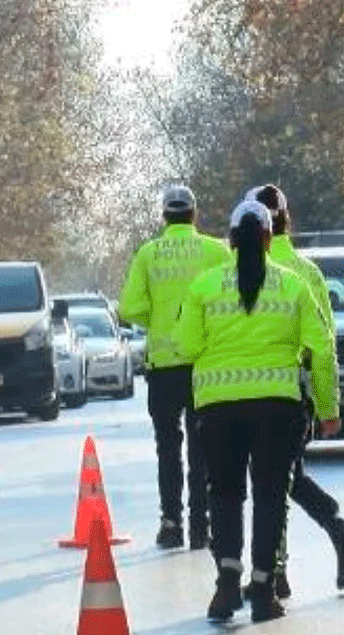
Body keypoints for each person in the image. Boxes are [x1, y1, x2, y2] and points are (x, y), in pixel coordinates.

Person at [173, 200, 340, 623]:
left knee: (225, 494)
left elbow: (188, 347)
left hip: (217, 411)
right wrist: (327, 408)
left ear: (230, 241)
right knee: (269, 496)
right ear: (269, 238)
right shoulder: (292, 286)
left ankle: (227, 583)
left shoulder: (204, 287)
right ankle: (264, 591)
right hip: (277, 409)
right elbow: (321, 349)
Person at [248, 184, 344, 598]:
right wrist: (326, 404)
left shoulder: (239, 269)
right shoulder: (308, 272)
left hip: (255, 392)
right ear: (285, 220)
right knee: (282, 479)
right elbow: (325, 345)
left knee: (276, 481)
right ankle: (306, 555)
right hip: (294, 391)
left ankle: (284, 566)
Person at [118, 185, 232, 550]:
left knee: (167, 447)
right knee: (203, 449)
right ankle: (201, 526)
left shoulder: (149, 254)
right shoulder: (216, 251)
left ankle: (171, 524)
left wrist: (161, 322)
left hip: (164, 366)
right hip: (204, 364)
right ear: (194, 215)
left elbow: (129, 308)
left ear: (164, 216)